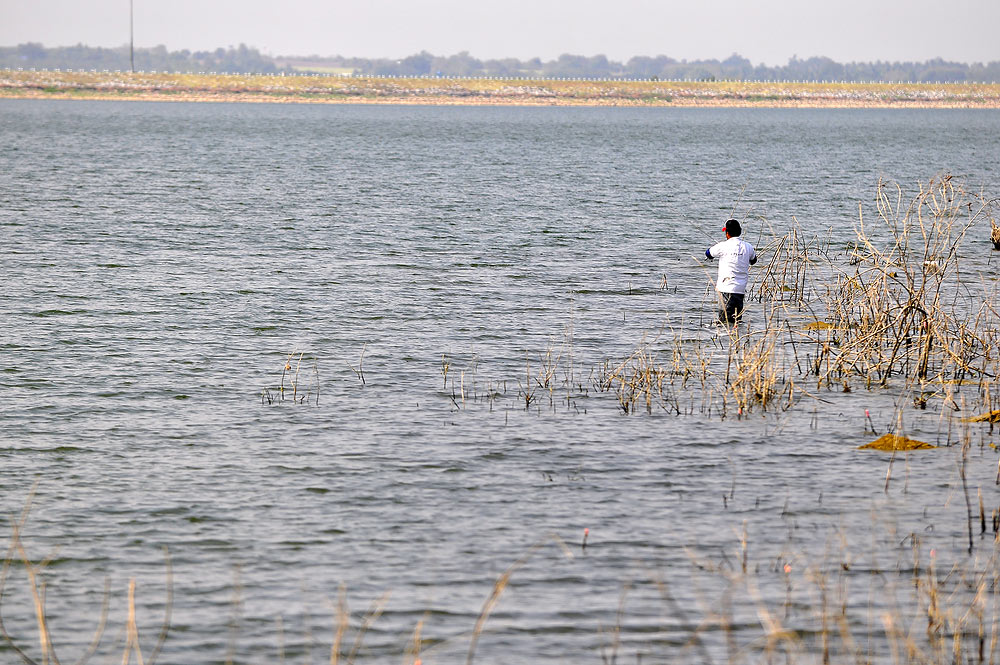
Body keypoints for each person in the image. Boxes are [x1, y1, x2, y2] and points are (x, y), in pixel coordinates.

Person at [705, 219, 757, 324]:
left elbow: (708, 253)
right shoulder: (748, 247)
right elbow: (753, 260)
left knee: (724, 322)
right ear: (740, 231)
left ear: (727, 233)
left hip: (725, 287)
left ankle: (724, 339)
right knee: (736, 320)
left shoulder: (722, 246)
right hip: (740, 289)